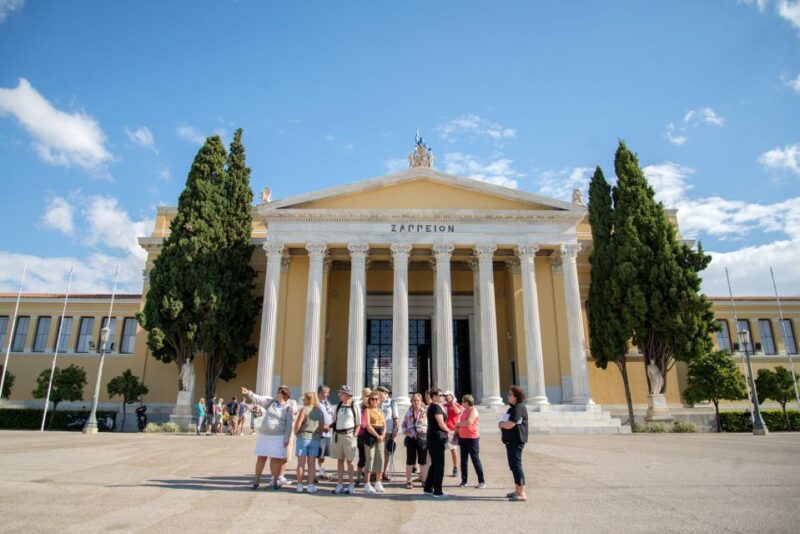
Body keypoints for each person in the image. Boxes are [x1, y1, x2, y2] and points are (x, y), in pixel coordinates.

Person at [242, 385, 294, 490]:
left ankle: (275, 482)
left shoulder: (288, 408)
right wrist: (248, 393)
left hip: (278, 436)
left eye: (279, 392)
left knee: (276, 459)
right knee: (261, 458)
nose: (277, 394)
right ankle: (256, 482)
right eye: (278, 392)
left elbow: (289, 425)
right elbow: (259, 399)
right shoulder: (271, 402)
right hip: (264, 435)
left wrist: (287, 439)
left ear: (284, 395)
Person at [499, 386, 529, 501]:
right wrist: (502, 424)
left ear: (516, 397)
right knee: (513, 466)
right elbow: (507, 422)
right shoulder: (512, 408)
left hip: (516, 441)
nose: (508, 396)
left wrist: (501, 424)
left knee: (516, 466)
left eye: (510, 394)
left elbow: (511, 424)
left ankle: (522, 493)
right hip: (510, 441)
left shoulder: (519, 407)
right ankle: (517, 490)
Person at [330, 385, 361, 495]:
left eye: (341, 393)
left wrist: (354, 436)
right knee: (340, 460)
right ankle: (340, 484)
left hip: (349, 435)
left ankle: (351, 484)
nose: (339, 395)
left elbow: (358, 423)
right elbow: (334, 420)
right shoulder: (338, 405)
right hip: (338, 435)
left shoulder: (354, 405)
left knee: (350, 461)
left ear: (347, 395)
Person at [293, 391, 324, 493]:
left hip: (303, 437)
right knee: (312, 464)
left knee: (301, 464)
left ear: (309, 399)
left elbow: (298, 424)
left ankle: (299, 485)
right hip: (314, 438)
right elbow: (321, 427)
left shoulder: (304, 409)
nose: (303, 400)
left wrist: (296, 433)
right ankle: (310, 485)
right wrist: (318, 436)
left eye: (305, 398)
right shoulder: (319, 411)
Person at [424, 388, 450, 498]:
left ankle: (428, 488)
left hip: (433, 437)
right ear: (434, 396)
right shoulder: (435, 407)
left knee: (435, 464)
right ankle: (438, 491)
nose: (442, 397)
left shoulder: (433, 406)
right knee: (439, 465)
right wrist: (449, 431)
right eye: (440, 395)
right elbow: (441, 423)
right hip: (437, 438)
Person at [456, 394, 485, 488]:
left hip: (472, 438)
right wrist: (458, 426)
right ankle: (464, 481)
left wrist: (458, 424)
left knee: (475, 459)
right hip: (462, 437)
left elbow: (469, 422)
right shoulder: (464, 411)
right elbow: (462, 422)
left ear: (468, 402)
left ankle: (481, 481)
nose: (462, 403)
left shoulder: (474, 411)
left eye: (463, 401)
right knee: (463, 460)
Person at [402, 392, 428, 489]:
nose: (416, 402)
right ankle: (408, 481)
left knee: (423, 461)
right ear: (412, 402)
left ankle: (424, 480)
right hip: (411, 438)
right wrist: (406, 432)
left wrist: (426, 432)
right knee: (410, 460)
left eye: (418, 400)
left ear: (421, 401)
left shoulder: (426, 411)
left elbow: (430, 424)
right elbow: (404, 425)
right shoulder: (409, 412)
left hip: (423, 437)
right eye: (414, 401)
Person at [363, 391, 386, 494]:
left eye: (376, 399)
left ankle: (378, 482)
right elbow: (368, 425)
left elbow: (384, 424)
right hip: (371, 434)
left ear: (379, 400)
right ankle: (367, 483)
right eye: (372, 399)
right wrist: (377, 436)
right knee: (370, 458)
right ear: (370, 400)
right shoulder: (368, 410)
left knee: (380, 458)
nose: (374, 401)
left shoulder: (380, 411)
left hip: (380, 434)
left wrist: (383, 435)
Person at [376, 386, 399, 481]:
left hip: (388, 431)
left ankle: (384, 472)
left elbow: (395, 418)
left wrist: (395, 430)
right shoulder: (376, 401)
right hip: (376, 431)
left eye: (382, 393)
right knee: (377, 453)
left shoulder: (392, 402)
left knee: (386, 453)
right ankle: (376, 472)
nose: (380, 395)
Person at [316, 384, 334, 482]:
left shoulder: (328, 403)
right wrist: (322, 427)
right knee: (319, 453)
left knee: (323, 454)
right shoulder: (316, 403)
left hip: (328, 432)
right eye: (325, 392)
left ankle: (321, 471)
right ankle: (319, 471)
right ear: (319, 393)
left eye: (328, 392)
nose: (327, 394)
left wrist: (331, 425)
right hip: (320, 432)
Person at [443, 390, 463, 477]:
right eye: (445, 396)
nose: (446, 397)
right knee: (440, 450)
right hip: (443, 430)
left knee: (453, 450)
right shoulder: (443, 406)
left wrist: (453, 403)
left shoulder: (457, 405)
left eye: (448, 395)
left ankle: (455, 467)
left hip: (452, 430)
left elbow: (457, 412)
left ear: (451, 396)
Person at [355, 387, 371, 486]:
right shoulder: (362, 409)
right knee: (364, 457)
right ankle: (360, 477)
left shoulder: (360, 407)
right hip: (364, 435)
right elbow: (363, 423)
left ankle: (361, 477)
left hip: (365, 435)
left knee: (364, 457)